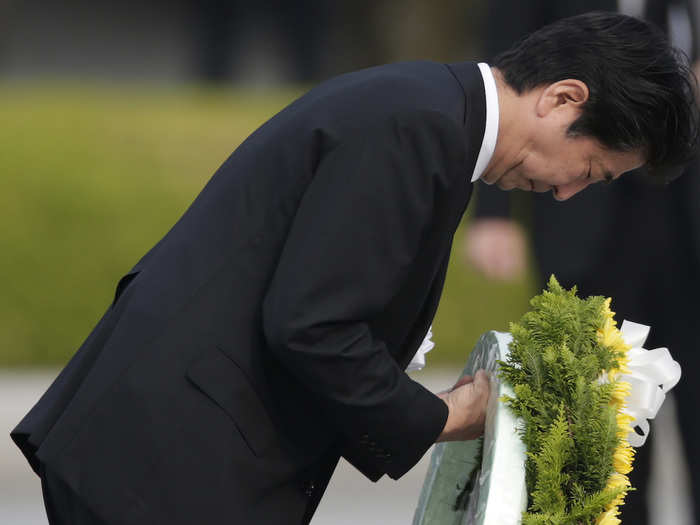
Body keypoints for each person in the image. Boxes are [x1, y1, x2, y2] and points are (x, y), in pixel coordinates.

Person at [11, 12, 699, 525]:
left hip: (173, 453)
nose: (566, 192)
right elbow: (313, 325)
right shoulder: (420, 128)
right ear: (562, 99)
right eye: (588, 169)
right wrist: (442, 414)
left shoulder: (433, 115)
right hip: (166, 466)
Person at [465, 2, 700, 523]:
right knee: (597, 417)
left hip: (688, 221)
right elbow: (509, 77)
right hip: (585, 219)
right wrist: (495, 210)